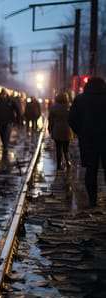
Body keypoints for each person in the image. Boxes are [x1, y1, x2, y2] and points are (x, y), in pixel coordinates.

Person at [68, 76, 106, 207]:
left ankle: (93, 200)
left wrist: (81, 132)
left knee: (91, 169)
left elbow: (72, 119)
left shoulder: (80, 100)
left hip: (88, 140)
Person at [48, 92, 72, 170]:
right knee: (66, 148)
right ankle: (68, 162)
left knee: (58, 148)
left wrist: (50, 128)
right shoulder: (69, 107)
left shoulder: (54, 107)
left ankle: (59, 165)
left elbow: (50, 119)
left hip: (57, 130)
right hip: (67, 130)